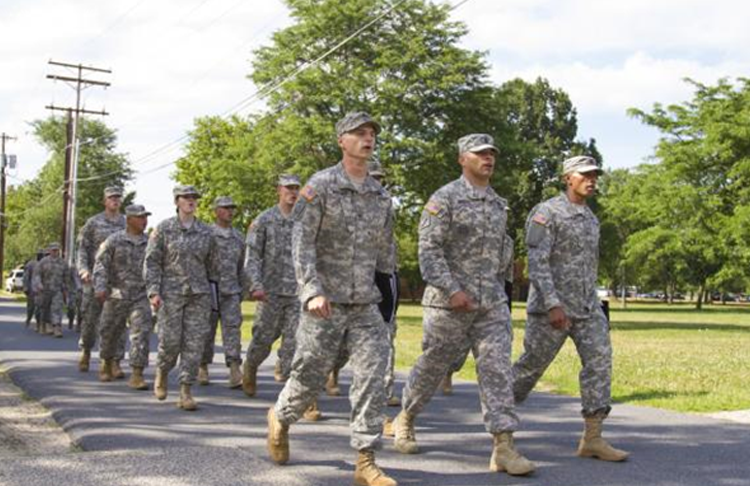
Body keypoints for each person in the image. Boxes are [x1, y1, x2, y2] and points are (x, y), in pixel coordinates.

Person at [266, 112, 397, 486]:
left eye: (372, 132)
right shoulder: (319, 186)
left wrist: (387, 296)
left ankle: (366, 459)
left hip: (365, 305)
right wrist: (311, 290)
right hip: (324, 302)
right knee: (309, 376)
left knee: (372, 377)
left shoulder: (380, 195)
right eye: (359, 132)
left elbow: (385, 251)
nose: (367, 138)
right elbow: (301, 241)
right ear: (342, 140)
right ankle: (280, 416)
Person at [392, 134, 534, 476]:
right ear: (462, 159)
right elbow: (429, 250)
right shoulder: (444, 199)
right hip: (449, 305)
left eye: (492, 154)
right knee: (433, 366)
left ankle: (503, 444)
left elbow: (503, 253)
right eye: (481, 154)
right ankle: (406, 417)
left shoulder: (499, 204)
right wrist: (452, 289)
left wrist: (502, 290)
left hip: (490, 306)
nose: (489, 159)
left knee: (497, 370)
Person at [512, 155, 629, 462]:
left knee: (599, 362)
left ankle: (593, 437)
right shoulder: (546, 213)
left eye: (594, 175)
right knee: (529, 369)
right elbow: (536, 263)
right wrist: (553, 303)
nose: (592, 179)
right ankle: (499, 426)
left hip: (587, 308)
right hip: (553, 310)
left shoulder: (590, 218)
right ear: (568, 178)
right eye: (585, 175)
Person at [326, 157, 402, 409]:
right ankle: (327, 375)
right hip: (344, 287)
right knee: (334, 345)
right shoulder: (338, 206)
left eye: (380, 180)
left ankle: (380, 401)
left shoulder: (384, 208)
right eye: (373, 178)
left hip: (379, 284)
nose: (376, 185)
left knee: (384, 341)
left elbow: (388, 252)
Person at [144, 185, 219, 411]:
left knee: (194, 344)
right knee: (170, 342)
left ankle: (186, 390)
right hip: (170, 294)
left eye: (194, 198)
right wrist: (154, 292)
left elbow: (213, 266)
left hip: (199, 295)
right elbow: (152, 262)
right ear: (177, 201)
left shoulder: (206, 232)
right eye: (186, 198)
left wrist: (213, 293)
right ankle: (162, 371)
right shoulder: (164, 229)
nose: (191, 201)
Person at [243, 175, 302, 393]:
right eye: (288, 188)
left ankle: (294, 393)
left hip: (298, 292)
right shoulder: (264, 220)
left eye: (296, 188)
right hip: (270, 292)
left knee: (295, 342)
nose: (293, 192)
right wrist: (256, 285)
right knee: (263, 339)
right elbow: (253, 256)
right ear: (279, 190)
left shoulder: (305, 220)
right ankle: (250, 366)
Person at [439, 233, 514, 396]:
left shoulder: (508, 242)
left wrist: (507, 307)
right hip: (467, 297)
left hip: (495, 300)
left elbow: (508, 276)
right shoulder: (474, 235)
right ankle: (448, 373)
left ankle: (495, 389)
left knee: (500, 345)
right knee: (460, 344)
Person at [93, 204, 153, 390]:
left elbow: (157, 266)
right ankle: (106, 361)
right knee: (109, 331)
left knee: (141, 333)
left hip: (141, 295)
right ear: (129, 220)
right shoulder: (114, 240)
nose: (144, 221)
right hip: (117, 294)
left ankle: (137, 373)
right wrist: (101, 287)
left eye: (145, 217)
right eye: (140, 217)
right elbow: (101, 265)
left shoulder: (150, 242)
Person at [77, 187, 127, 375]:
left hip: (119, 281)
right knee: (90, 320)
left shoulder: (126, 223)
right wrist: (83, 270)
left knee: (119, 321)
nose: (115, 200)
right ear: (104, 201)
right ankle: (86, 350)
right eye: (111, 197)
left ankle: (115, 361)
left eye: (117, 197)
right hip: (95, 278)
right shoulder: (93, 223)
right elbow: (82, 249)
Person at [199, 196, 247, 388]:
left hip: (231, 291)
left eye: (232, 208)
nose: (230, 211)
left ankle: (235, 369)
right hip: (210, 289)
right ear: (216, 211)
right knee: (206, 330)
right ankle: (202, 366)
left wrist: (242, 290)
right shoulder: (206, 234)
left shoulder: (238, 237)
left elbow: (243, 266)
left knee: (233, 329)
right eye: (225, 208)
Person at [32, 243, 70, 338]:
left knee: (56, 308)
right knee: (44, 308)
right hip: (45, 289)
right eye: (53, 250)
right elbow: (37, 274)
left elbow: (67, 277)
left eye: (57, 250)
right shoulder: (43, 262)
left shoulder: (63, 263)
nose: (55, 252)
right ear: (49, 251)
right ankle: (45, 324)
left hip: (57, 289)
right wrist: (39, 285)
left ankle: (57, 327)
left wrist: (66, 289)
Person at [23, 250, 44, 328]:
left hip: (41, 289)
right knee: (31, 307)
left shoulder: (45, 264)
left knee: (40, 307)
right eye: (39, 254)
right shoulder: (31, 264)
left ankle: (39, 323)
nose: (40, 256)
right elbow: (26, 276)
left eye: (42, 255)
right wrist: (26, 287)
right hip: (32, 289)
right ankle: (28, 319)